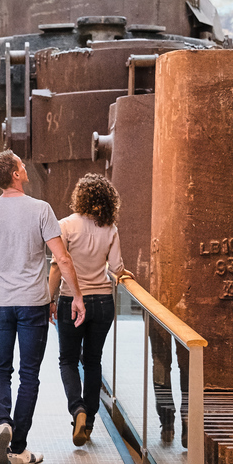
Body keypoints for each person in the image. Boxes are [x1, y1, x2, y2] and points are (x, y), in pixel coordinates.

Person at [0, 149, 86, 464]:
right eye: (21, 165)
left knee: (0, 369)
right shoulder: (41, 209)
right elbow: (62, 259)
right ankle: (18, 448)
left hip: (1, 303)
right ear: (16, 175)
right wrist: (76, 296)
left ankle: (2, 424)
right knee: (29, 375)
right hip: (34, 304)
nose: (25, 167)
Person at [48, 173, 134, 446]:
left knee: (68, 360)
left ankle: (78, 410)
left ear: (80, 197)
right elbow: (116, 267)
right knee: (93, 361)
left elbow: (56, 266)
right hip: (103, 301)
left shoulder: (66, 225)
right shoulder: (110, 229)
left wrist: (49, 299)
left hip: (71, 301)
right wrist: (124, 274)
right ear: (108, 200)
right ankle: (90, 421)